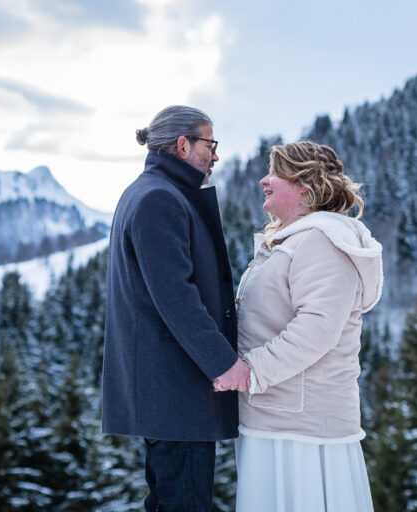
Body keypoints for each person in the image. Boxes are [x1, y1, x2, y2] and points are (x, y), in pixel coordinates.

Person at [101, 105, 251, 512]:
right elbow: (176, 297)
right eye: (210, 144)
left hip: (170, 394)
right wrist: (224, 364)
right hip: (177, 392)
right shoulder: (158, 200)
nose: (215, 155)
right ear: (183, 145)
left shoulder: (150, 192)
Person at [231, 141, 383, 511]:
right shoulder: (292, 239)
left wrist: (250, 372)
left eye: (276, 173)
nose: (264, 180)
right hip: (276, 417)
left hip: (303, 432)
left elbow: (317, 329)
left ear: (306, 187)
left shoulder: (321, 242)